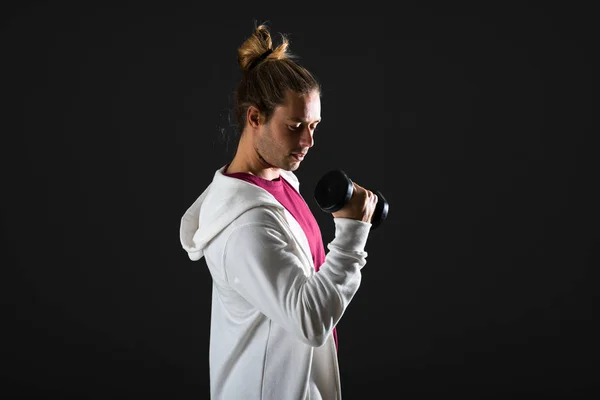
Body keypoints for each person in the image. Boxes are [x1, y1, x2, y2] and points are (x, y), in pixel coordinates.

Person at [179, 23, 378, 400]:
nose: (308, 141)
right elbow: (310, 319)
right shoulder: (245, 228)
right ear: (255, 118)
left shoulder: (282, 181)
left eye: (314, 125)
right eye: (295, 126)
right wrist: (351, 234)